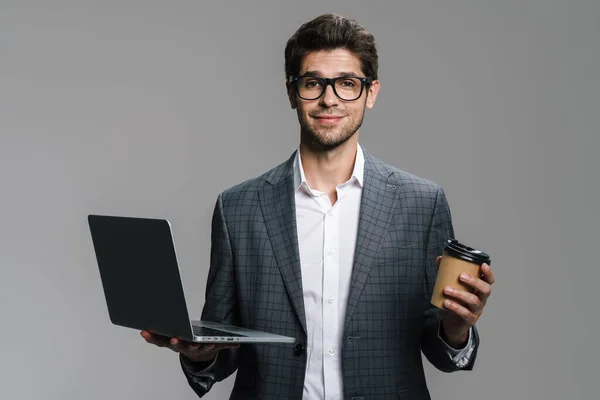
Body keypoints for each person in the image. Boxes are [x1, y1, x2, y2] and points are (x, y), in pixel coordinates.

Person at [141, 13, 495, 400]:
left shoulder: (422, 204)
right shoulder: (238, 208)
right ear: (292, 92)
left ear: (371, 92)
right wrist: (200, 353)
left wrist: (457, 329)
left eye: (346, 84)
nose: (330, 99)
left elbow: (439, 348)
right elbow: (223, 346)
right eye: (313, 83)